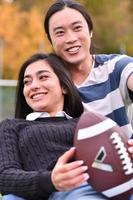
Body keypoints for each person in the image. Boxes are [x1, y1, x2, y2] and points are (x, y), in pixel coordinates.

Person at [43, 0, 133, 199]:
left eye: (77, 28)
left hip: (126, 173)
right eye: (59, 32)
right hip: (76, 186)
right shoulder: (47, 85)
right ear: (50, 39)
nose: (71, 38)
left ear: (90, 31)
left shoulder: (116, 67)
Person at [0, 52, 103, 200]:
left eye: (43, 77)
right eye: (27, 82)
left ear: (64, 87)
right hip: (38, 194)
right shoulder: (11, 127)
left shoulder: (87, 123)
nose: (34, 86)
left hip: (85, 187)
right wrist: (51, 180)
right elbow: (4, 176)